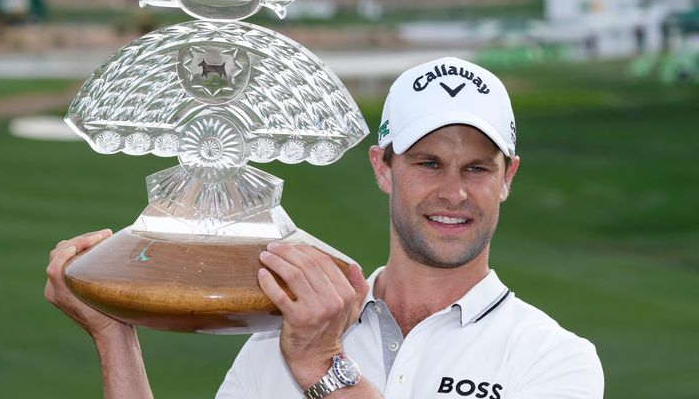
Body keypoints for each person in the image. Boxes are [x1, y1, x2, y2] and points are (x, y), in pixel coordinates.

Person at [45, 57, 604, 398]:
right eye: (428, 163)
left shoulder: (552, 357)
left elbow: (316, 357)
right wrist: (114, 336)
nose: (454, 193)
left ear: (507, 177)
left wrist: (323, 368)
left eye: (477, 168)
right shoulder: (279, 338)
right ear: (383, 167)